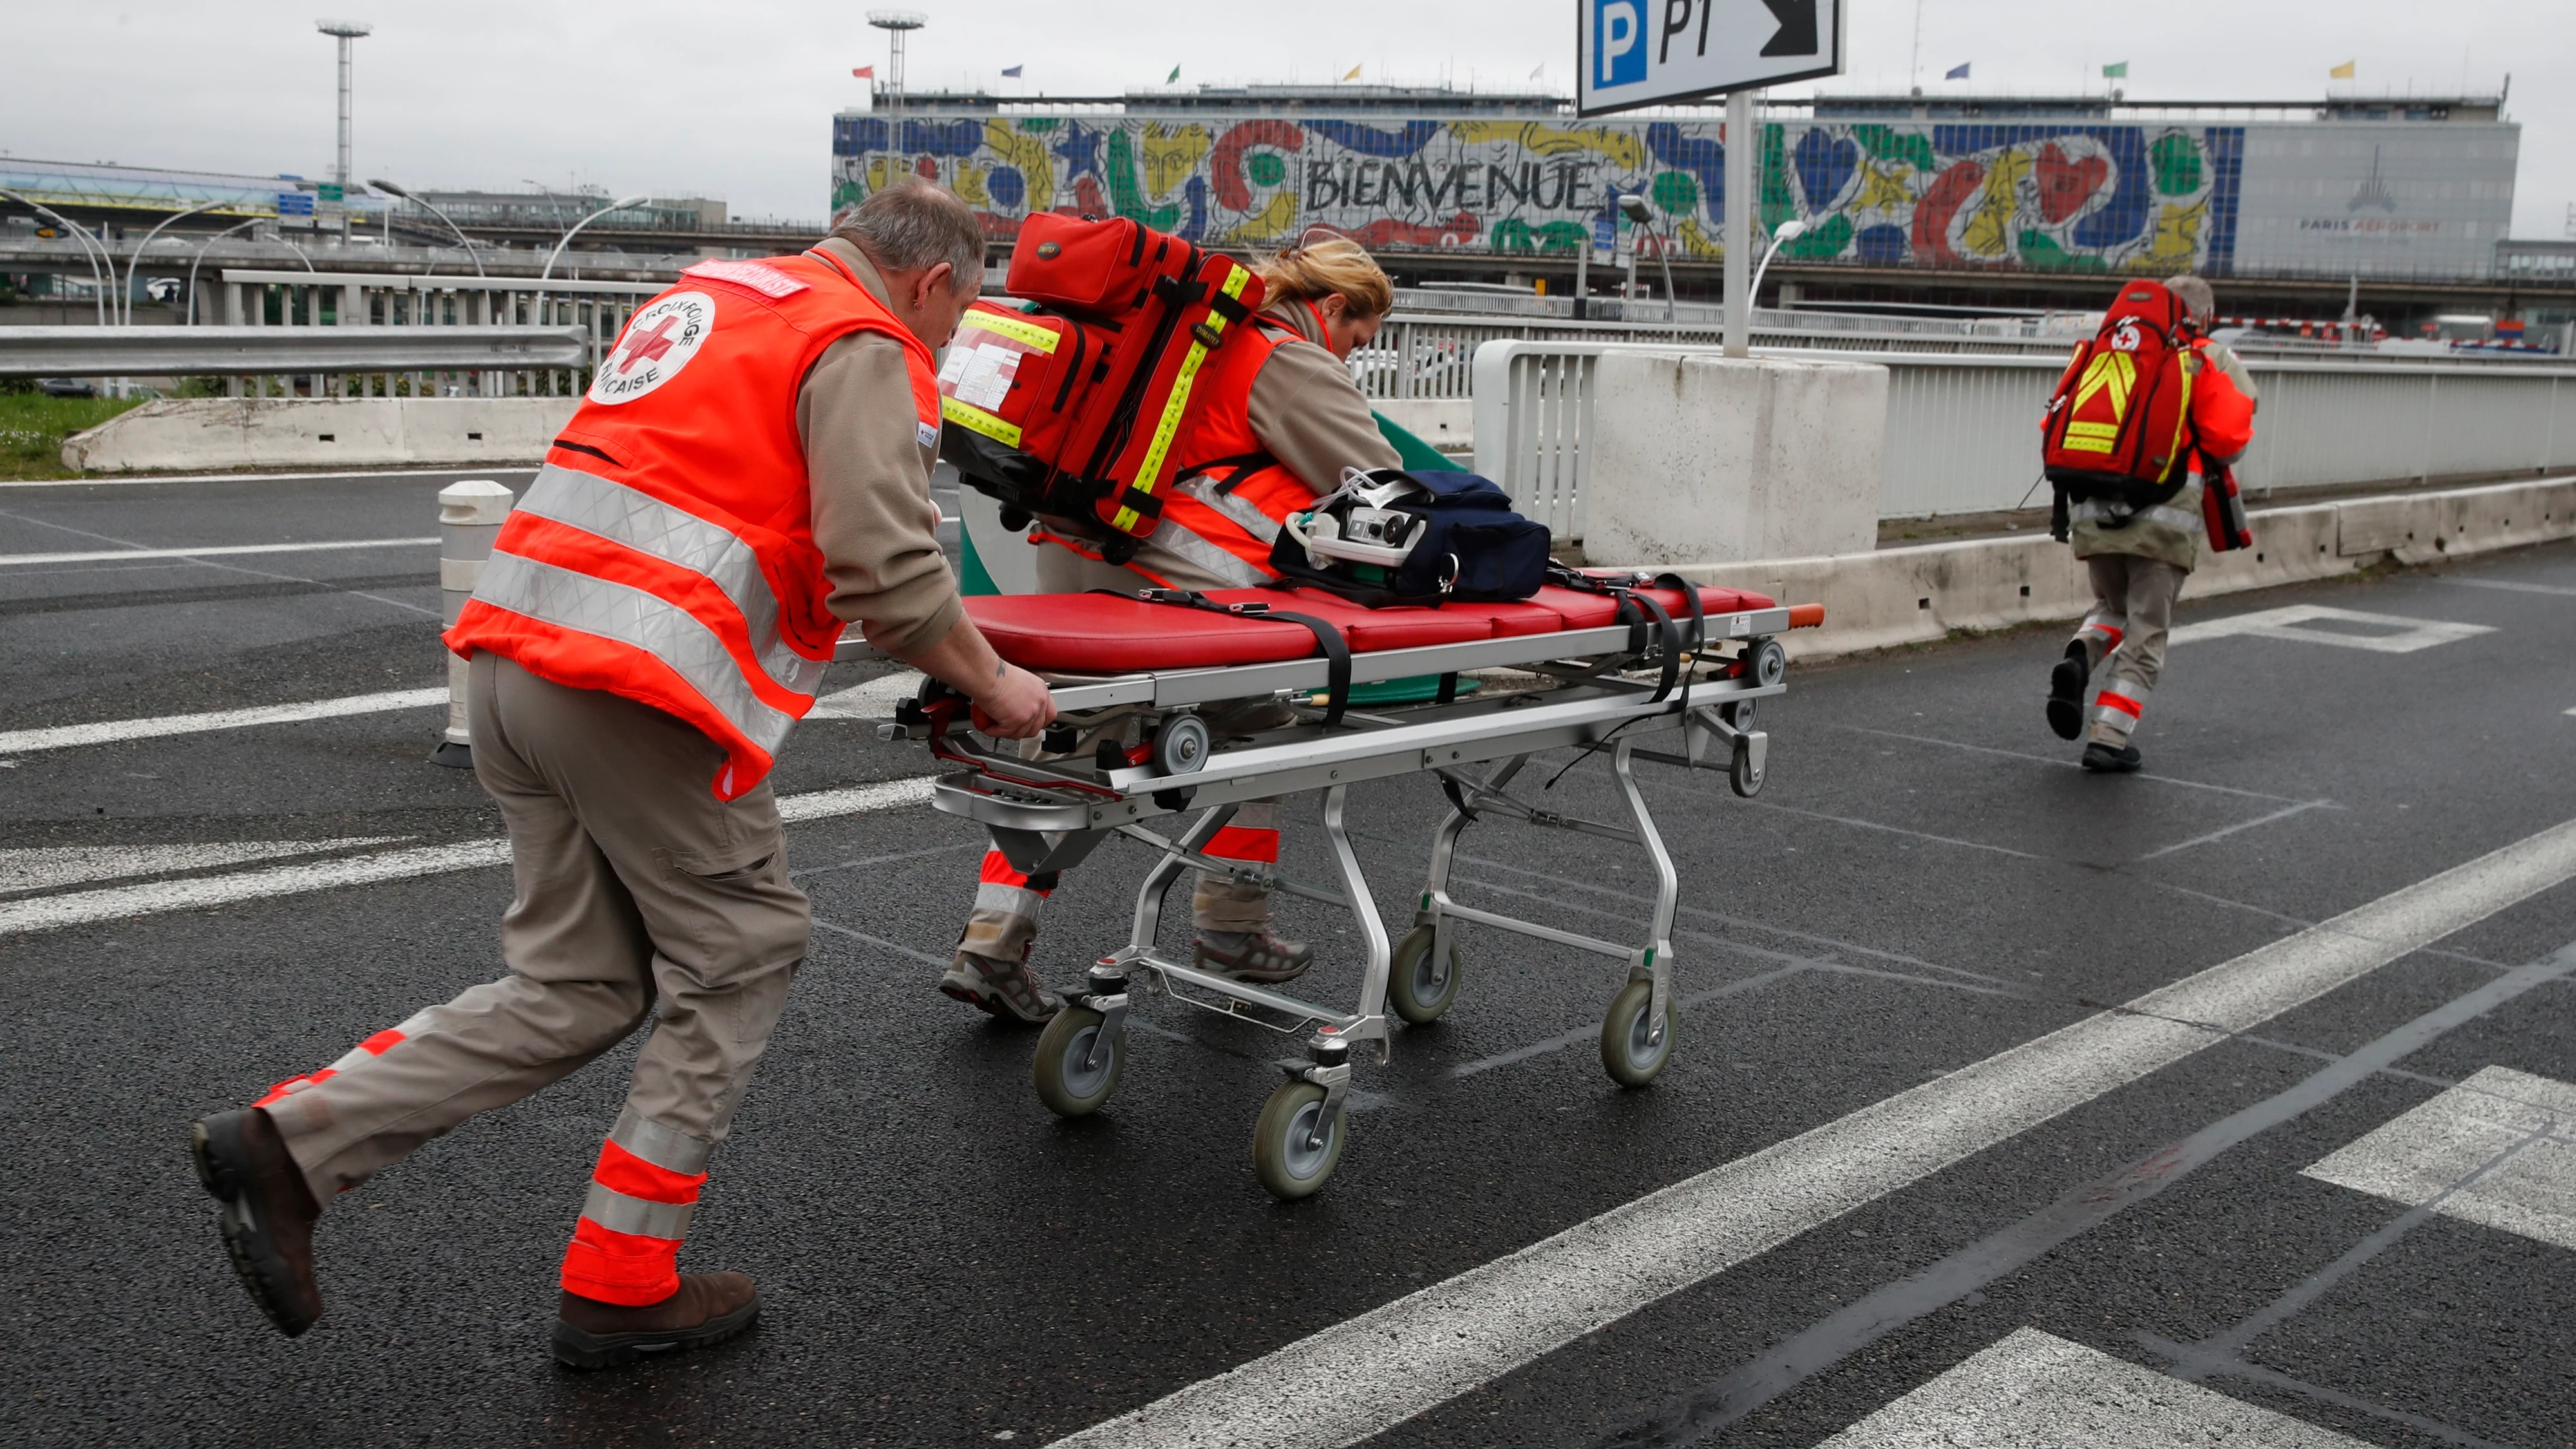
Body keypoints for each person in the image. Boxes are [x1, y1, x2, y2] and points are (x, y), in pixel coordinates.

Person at [188, 181, 1057, 1368]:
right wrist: (995, 681)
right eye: (956, 320)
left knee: (580, 983)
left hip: (514, 657)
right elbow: (890, 574)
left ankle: (288, 1148)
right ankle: (622, 1280)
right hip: (640, 689)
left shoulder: (714, 296)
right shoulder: (862, 341)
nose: (948, 343)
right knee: (744, 946)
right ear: (932, 282)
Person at [939, 236, 1405, 1022]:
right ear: (1331, 308)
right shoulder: (1287, 360)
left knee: (1065, 751)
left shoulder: (1198, 333)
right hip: (1174, 579)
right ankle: (1231, 927)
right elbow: (1383, 483)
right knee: (1266, 736)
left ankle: (992, 941)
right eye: (1357, 338)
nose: (1353, 356)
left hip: (1076, 552)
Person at [2046, 273, 2257, 772]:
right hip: (2164, 517)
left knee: (2112, 605)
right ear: (2204, 316)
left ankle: (2079, 656)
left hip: (2091, 509)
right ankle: (2109, 738)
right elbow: (2230, 439)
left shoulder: (2107, 350)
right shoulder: (2206, 356)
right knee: (2147, 629)